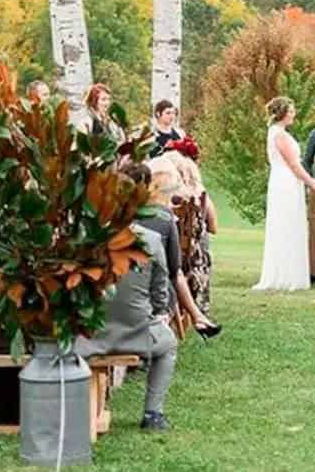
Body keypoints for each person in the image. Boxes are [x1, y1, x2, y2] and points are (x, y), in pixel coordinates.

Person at [78, 207, 178, 433]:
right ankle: (153, 413)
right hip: (137, 334)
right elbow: (160, 288)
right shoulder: (150, 239)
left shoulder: (85, 238)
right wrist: (159, 310)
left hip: (87, 338)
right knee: (169, 344)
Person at [253, 96, 315, 292]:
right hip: (286, 182)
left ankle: (287, 272)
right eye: (291, 111)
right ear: (283, 113)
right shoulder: (280, 135)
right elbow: (294, 165)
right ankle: (286, 275)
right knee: (287, 224)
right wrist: (312, 183)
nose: (294, 114)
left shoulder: (275, 132)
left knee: (287, 223)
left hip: (282, 180)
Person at [141, 157, 221, 337]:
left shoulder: (124, 215)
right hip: (157, 289)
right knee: (175, 273)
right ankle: (197, 316)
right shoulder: (165, 218)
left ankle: (197, 316)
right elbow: (213, 228)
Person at [164, 143, 216, 316]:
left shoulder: (166, 195)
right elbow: (213, 227)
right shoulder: (199, 193)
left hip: (172, 256)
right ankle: (200, 303)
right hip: (195, 257)